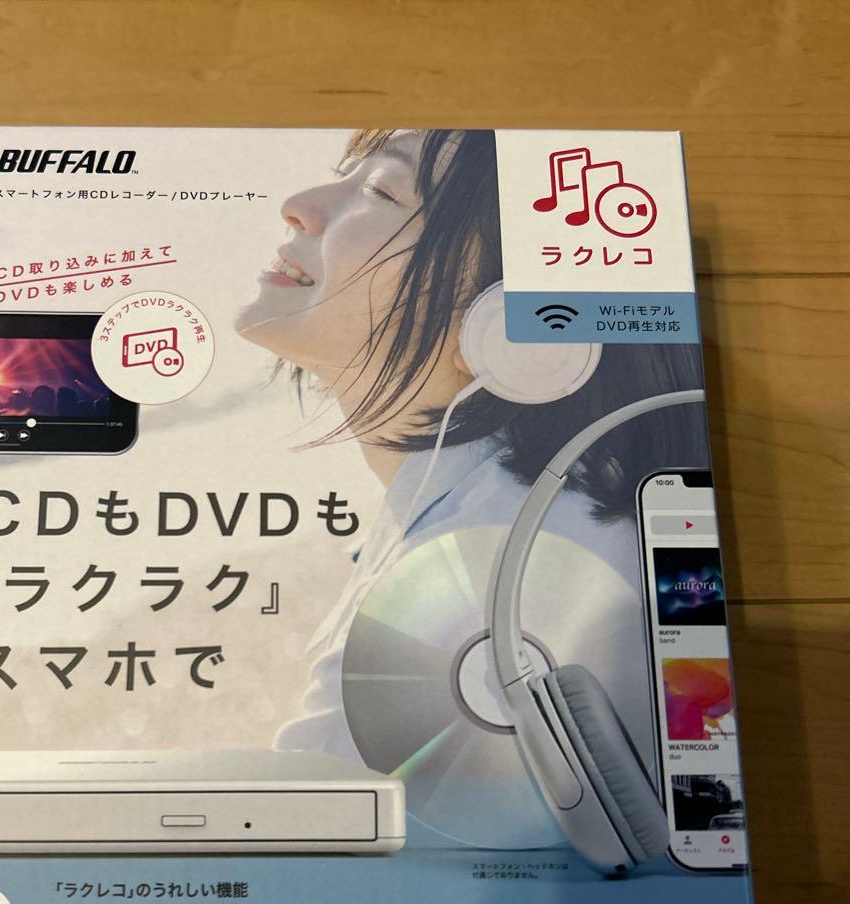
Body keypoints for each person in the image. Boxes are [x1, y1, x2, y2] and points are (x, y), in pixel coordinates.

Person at [235, 130, 708, 832]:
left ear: (503, 328)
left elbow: (296, 845)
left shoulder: (495, 562)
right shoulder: (504, 506)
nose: (299, 204)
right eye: (346, 173)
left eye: (381, 190)